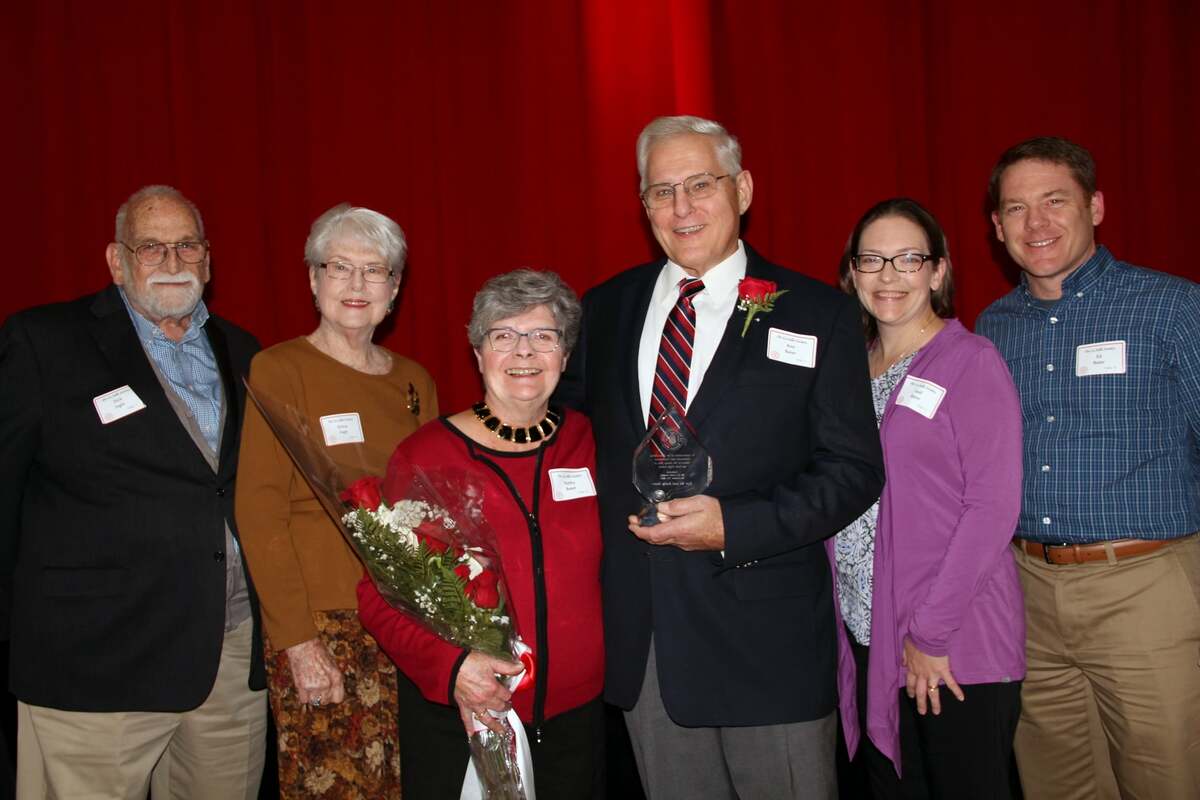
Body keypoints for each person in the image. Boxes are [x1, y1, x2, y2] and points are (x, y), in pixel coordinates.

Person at [555, 115, 884, 799]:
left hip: (767, 642)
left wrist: (734, 526)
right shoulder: (606, 309)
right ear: (642, 204)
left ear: (742, 189)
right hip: (647, 646)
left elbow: (854, 471)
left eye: (700, 185)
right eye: (661, 191)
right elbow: (566, 435)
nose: (681, 208)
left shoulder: (815, 314)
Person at [0, 185, 267, 799]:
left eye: (187, 245)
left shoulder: (246, 351)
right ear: (117, 262)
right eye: (152, 247)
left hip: (225, 659)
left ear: (208, 258)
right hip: (95, 663)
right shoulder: (44, 343)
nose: (172, 262)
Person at [976, 136, 1200, 800]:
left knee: (1167, 780)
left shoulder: (1172, 308)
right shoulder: (993, 328)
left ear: (1095, 206)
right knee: (1055, 785)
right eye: (1016, 209)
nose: (1036, 224)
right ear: (996, 227)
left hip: (1145, 588)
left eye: (1055, 202)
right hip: (1027, 594)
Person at [358, 269, 605, 798]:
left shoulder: (589, 441)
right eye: (503, 335)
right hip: (467, 717)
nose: (524, 352)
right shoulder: (427, 456)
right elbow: (378, 596)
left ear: (565, 354)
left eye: (544, 335)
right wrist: (454, 671)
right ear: (478, 353)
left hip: (577, 720)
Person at [235, 204, 438, 796]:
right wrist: (297, 641)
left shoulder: (413, 380)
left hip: (407, 623)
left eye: (374, 271)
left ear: (394, 288)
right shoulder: (278, 368)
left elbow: (429, 506)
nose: (356, 285)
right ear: (312, 279)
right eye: (339, 267)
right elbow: (259, 509)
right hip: (323, 626)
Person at [833, 198, 1025, 798]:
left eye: (908, 258)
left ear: (938, 272)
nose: (889, 275)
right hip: (867, 635)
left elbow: (992, 508)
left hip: (948, 645)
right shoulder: (846, 369)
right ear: (852, 274)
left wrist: (930, 634)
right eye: (872, 260)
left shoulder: (971, 362)